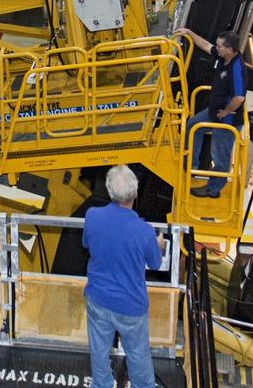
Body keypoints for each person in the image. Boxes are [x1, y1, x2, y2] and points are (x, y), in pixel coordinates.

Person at [83, 165, 163, 388]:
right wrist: (158, 244)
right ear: (136, 193)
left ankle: (101, 384)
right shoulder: (145, 231)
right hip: (131, 305)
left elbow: (87, 243)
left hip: (98, 299)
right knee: (137, 353)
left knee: (99, 349)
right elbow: (155, 263)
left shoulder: (92, 216)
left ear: (110, 192)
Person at [172, 27, 246, 198]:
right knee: (193, 125)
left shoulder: (237, 68)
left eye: (220, 46)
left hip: (227, 120)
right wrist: (189, 32)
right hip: (213, 111)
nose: (216, 48)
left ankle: (213, 189)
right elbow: (206, 45)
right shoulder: (223, 56)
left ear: (230, 49)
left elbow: (239, 98)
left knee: (219, 156)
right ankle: (192, 163)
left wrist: (225, 112)